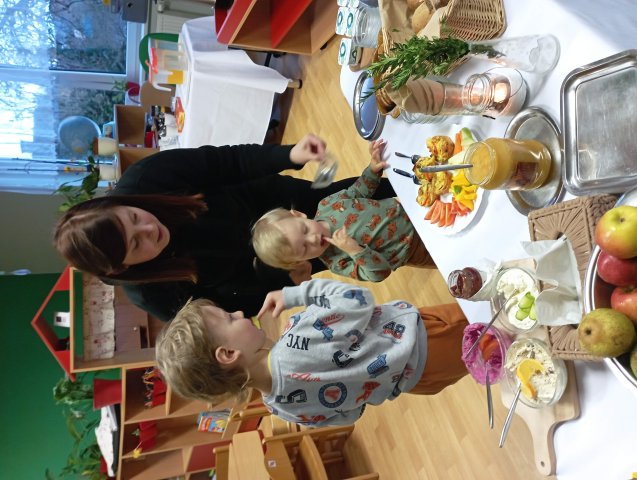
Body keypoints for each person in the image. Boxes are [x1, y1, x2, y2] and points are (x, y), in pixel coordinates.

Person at [53, 135, 396, 321]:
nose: (149, 229)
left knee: (360, 202)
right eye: (136, 244)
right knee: (376, 248)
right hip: (287, 260)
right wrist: (286, 285)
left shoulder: (145, 179)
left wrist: (288, 155)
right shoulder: (152, 293)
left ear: (120, 202)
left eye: (133, 217)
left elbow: (226, 162)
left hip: (279, 208)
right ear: (123, 268)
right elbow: (228, 312)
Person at [155, 278, 469, 428]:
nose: (238, 313)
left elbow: (350, 414)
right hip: (430, 337)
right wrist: (296, 295)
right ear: (227, 354)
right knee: (495, 318)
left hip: (418, 382)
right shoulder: (297, 340)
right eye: (229, 319)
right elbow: (358, 299)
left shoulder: (280, 409)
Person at [251, 139, 435, 283]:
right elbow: (379, 273)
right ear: (301, 261)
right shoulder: (336, 261)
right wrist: (355, 251)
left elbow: (359, 191)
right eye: (305, 248)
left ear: (299, 215)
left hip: (413, 210)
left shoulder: (327, 204)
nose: (312, 239)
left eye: (305, 230)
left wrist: (372, 170)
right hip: (414, 250)